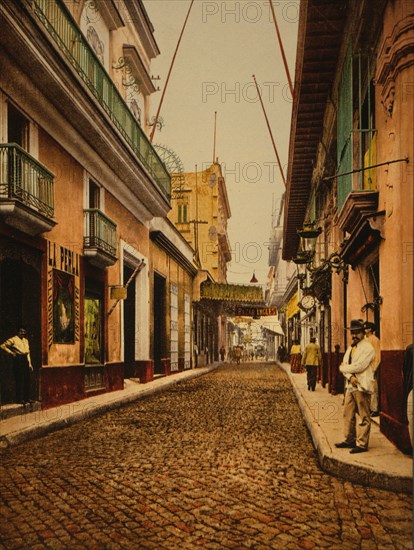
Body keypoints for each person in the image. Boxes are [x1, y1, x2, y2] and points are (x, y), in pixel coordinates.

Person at [335, 319, 375, 454]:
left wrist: (344, 369)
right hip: (351, 385)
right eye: (352, 333)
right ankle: (349, 439)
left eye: (357, 332)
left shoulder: (368, 348)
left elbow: (360, 366)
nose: (354, 335)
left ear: (363, 333)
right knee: (348, 414)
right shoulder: (350, 348)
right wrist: (349, 376)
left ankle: (362, 444)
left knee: (363, 415)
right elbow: (343, 364)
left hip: (361, 386)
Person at [0, 327, 34, 405]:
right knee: (19, 379)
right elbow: (2, 346)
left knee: (27, 379)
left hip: (25, 359)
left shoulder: (26, 340)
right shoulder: (13, 339)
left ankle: (27, 398)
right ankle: (19, 399)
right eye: (21, 331)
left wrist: (30, 364)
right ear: (18, 332)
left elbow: (28, 353)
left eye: (24, 332)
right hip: (18, 360)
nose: (22, 333)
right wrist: (11, 353)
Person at [364, 321, 381, 417]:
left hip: (372, 367)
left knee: (374, 388)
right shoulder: (365, 339)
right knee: (366, 388)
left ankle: (375, 409)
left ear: (370, 329)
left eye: (366, 328)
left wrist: (374, 368)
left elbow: (377, 355)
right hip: (365, 367)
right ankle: (368, 407)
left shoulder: (375, 340)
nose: (365, 330)